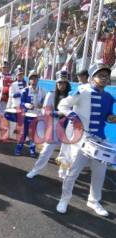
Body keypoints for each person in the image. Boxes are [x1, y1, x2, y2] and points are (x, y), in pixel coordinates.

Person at [56, 63, 116, 216]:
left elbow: (107, 116)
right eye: (100, 75)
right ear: (92, 77)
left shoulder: (109, 97)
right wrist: (73, 116)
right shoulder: (82, 91)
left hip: (100, 140)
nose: (103, 78)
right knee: (72, 172)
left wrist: (111, 118)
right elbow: (62, 105)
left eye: (106, 76)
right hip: (82, 139)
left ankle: (94, 200)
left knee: (99, 173)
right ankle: (64, 199)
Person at [26, 72, 71, 178]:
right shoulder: (51, 94)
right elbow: (45, 112)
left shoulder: (70, 96)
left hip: (67, 128)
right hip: (54, 127)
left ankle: (63, 172)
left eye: (64, 83)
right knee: (46, 152)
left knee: (66, 153)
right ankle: (35, 170)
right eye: (60, 83)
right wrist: (57, 113)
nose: (62, 85)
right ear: (56, 83)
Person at [14, 70, 46, 156]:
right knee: (23, 133)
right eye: (32, 78)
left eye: (35, 78)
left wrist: (42, 104)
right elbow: (21, 103)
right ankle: (18, 148)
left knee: (33, 133)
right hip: (26, 115)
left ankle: (32, 150)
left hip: (37, 115)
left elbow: (45, 101)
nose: (34, 80)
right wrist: (27, 105)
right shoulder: (25, 90)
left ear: (38, 80)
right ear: (29, 80)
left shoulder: (43, 91)